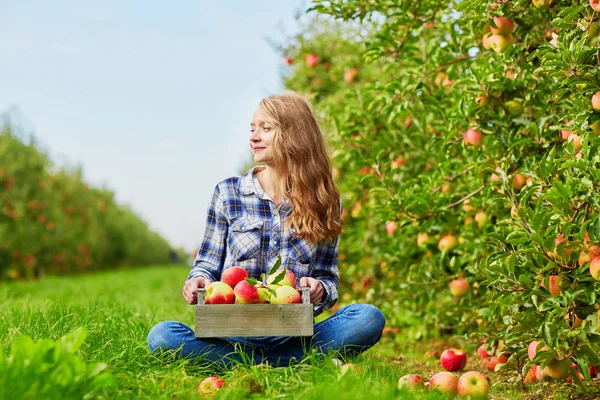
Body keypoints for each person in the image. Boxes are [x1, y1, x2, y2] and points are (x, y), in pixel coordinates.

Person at [147, 91, 385, 368]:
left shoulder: (325, 201)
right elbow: (207, 264)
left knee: (369, 318)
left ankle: (246, 364)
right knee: (162, 336)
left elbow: (328, 278)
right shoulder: (228, 193)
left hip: (295, 334)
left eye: (266, 128)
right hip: (231, 336)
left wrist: (320, 288)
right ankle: (292, 364)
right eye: (252, 128)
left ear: (295, 135)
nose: (253, 137)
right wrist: (198, 280)